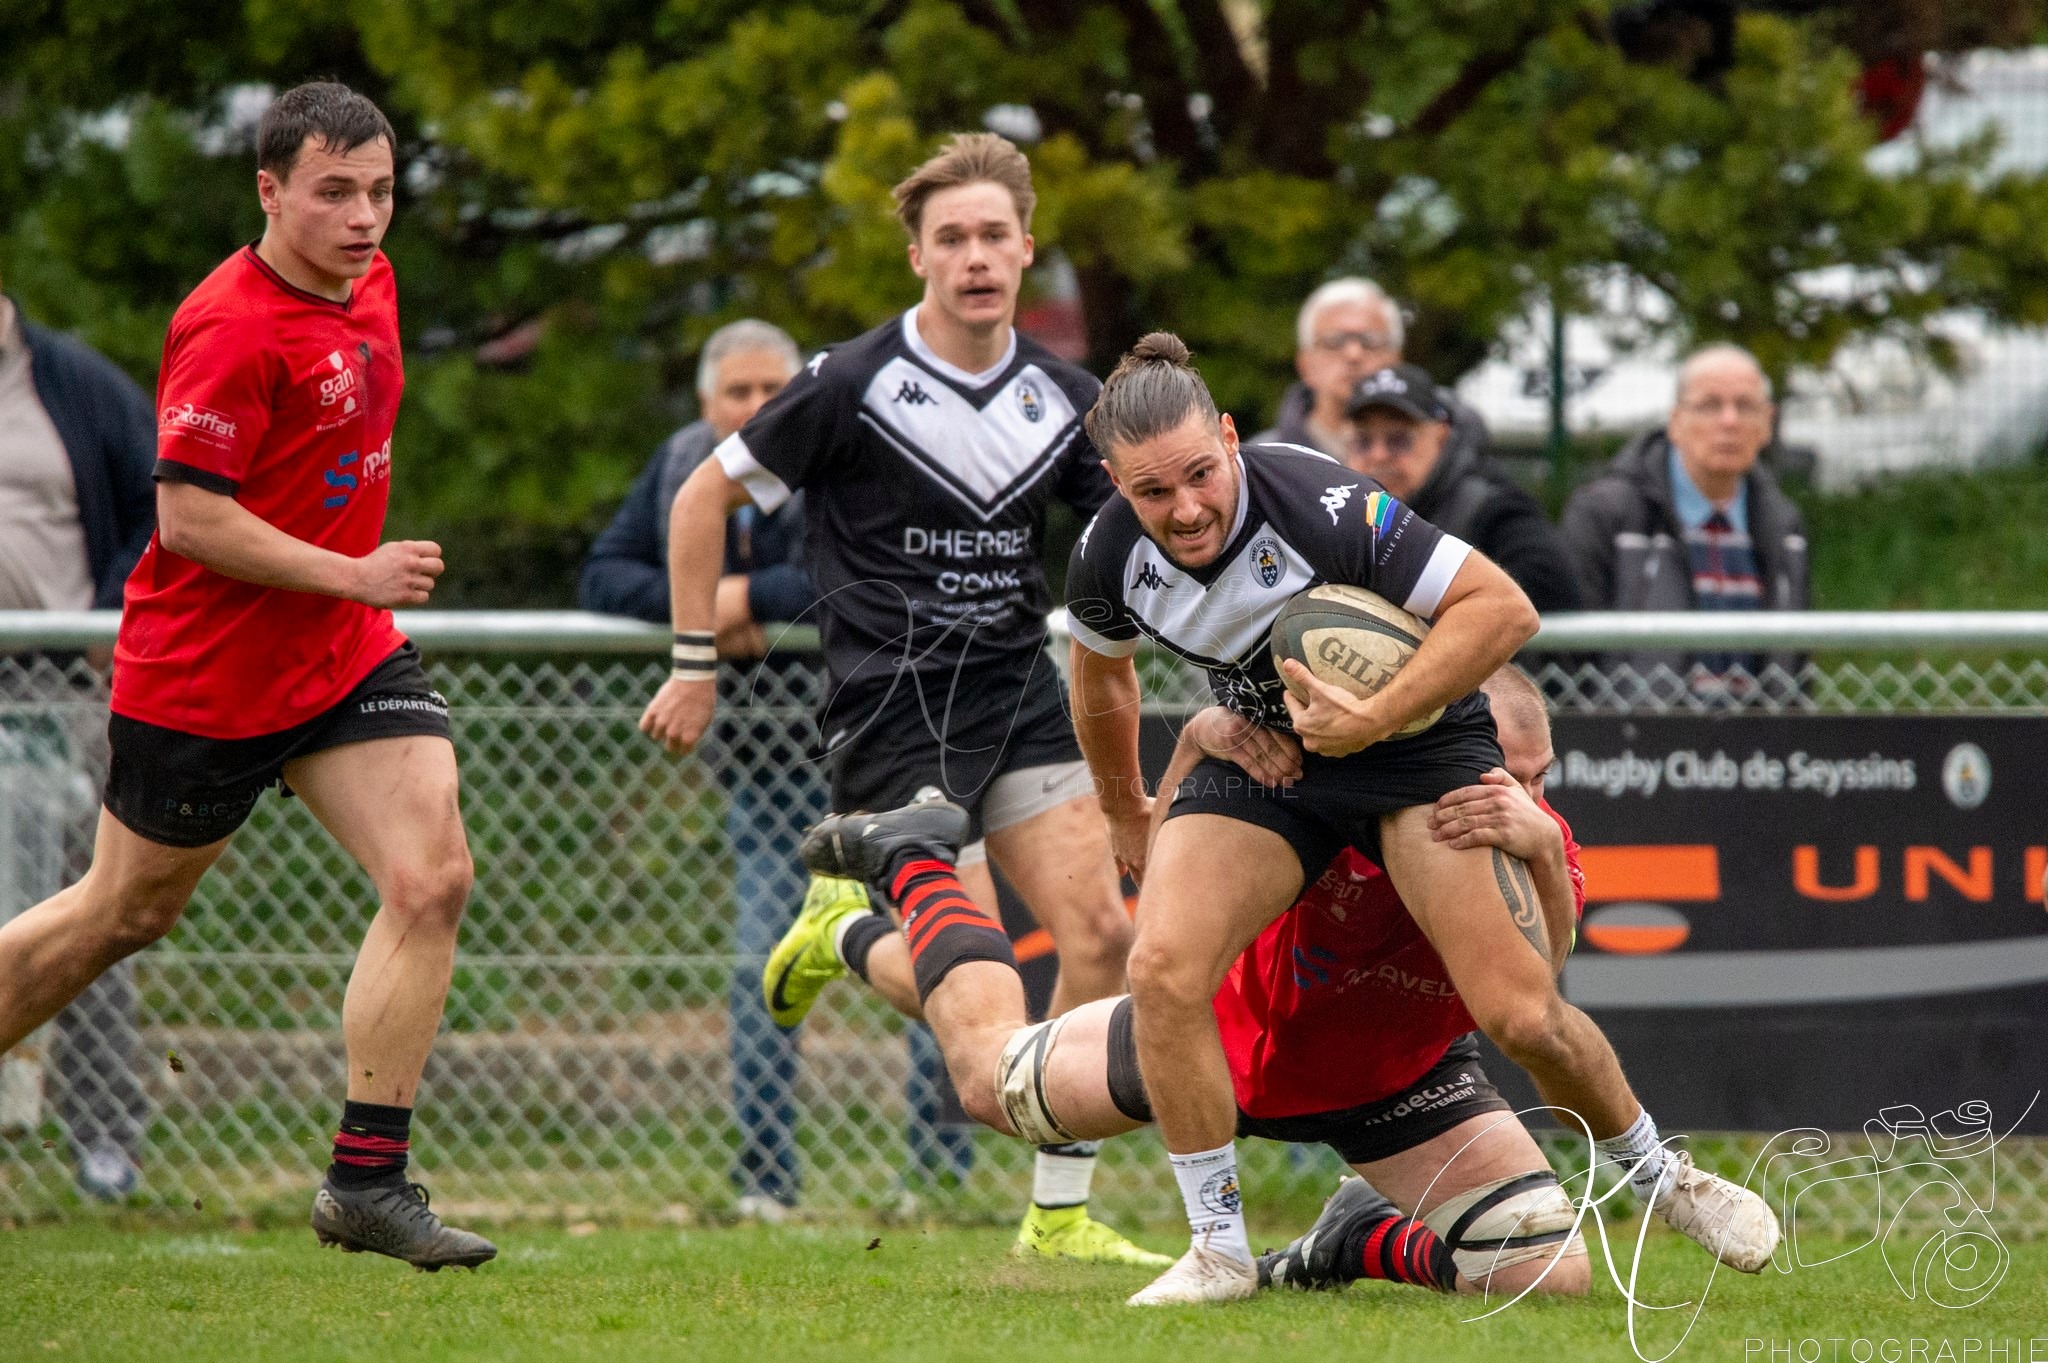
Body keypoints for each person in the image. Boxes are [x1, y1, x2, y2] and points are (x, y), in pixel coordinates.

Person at [1062, 334, 1778, 1304]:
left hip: (1416, 748)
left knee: (1519, 1013)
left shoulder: (1319, 504)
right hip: (1278, 757)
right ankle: (1219, 1251)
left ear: (1229, 438)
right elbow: (1099, 673)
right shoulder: (1107, 552)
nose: (1185, 508)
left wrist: (1373, 715)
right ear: (1116, 484)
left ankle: (1660, 1179)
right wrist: (1124, 809)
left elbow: (1503, 607)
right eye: (1153, 491)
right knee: (1159, 968)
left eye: (1199, 474)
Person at [640, 133, 1157, 1265]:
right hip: (891, 715)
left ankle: (1057, 1215)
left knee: (1105, 935)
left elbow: (1140, 526)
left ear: (1026, 249)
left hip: (1019, 696)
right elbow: (696, 500)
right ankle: (848, 930)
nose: (975, 257)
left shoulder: (1064, 399)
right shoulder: (849, 384)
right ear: (917, 256)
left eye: (993, 236)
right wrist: (692, 664)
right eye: (950, 238)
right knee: (985, 1034)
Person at [0, 82, 493, 1269]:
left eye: (380, 192)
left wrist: (349, 591)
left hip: (339, 651)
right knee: (124, 914)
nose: (363, 218)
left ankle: (365, 1182)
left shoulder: (371, 280)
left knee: (431, 877)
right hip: (208, 678)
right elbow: (188, 519)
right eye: (334, 193)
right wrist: (355, 568)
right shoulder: (229, 324)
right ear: (269, 192)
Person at [791, 667, 1601, 1300]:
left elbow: (1537, 988)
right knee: (984, 1078)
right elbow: (1161, 875)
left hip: (1401, 1081)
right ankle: (912, 864)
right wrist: (1194, 742)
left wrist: (1539, 847)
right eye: (1503, 774)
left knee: (1547, 1273)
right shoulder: (1324, 787)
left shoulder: (1533, 834)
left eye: (1540, 779)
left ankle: (1350, 1239)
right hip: (1215, 1047)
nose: (1521, 799)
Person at [579, 319, 966, 1216]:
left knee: (934, 949)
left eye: (771, 391)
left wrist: (735, 599)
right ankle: (765, 1182)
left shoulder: (844, 453)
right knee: (763, 966)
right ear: (706, 402)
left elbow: (869, 581)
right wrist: (718, 608)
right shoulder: (682, 466)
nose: (756, 407)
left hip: (882, 753)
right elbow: (604, 576)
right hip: (763, 776)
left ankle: (938, 1180)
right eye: (737, 393)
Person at [0, 282, 156, 1198]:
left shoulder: (73, 383)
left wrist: (111, 618)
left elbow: (164, 510)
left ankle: (104, 1133)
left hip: (53, 687)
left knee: (89, 910)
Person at [1559, 343, 1810, 697]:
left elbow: (1798, 668)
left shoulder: (1785, 529)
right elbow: (1567, 662)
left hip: (1757, 732)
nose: (1730, 421)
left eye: (1745, 406)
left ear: (1768, 423)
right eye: (1710, 405)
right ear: (1676, 422)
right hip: (1634, 733)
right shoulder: (1607, 515)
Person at [1345, 363, 1581, 612]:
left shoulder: (1493, 511)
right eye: (1363, 441)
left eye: (1398, 440)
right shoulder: (1338, 514)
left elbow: (1546, 600)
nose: (1379, 455)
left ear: (1440, 437)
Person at [1252, 277, 1493, 467]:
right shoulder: (1263, 462)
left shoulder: (1451, 454)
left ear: (1397, 359)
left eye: (1370, 341)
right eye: (1334, 342)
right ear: (1305, 365)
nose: (1353, 354)